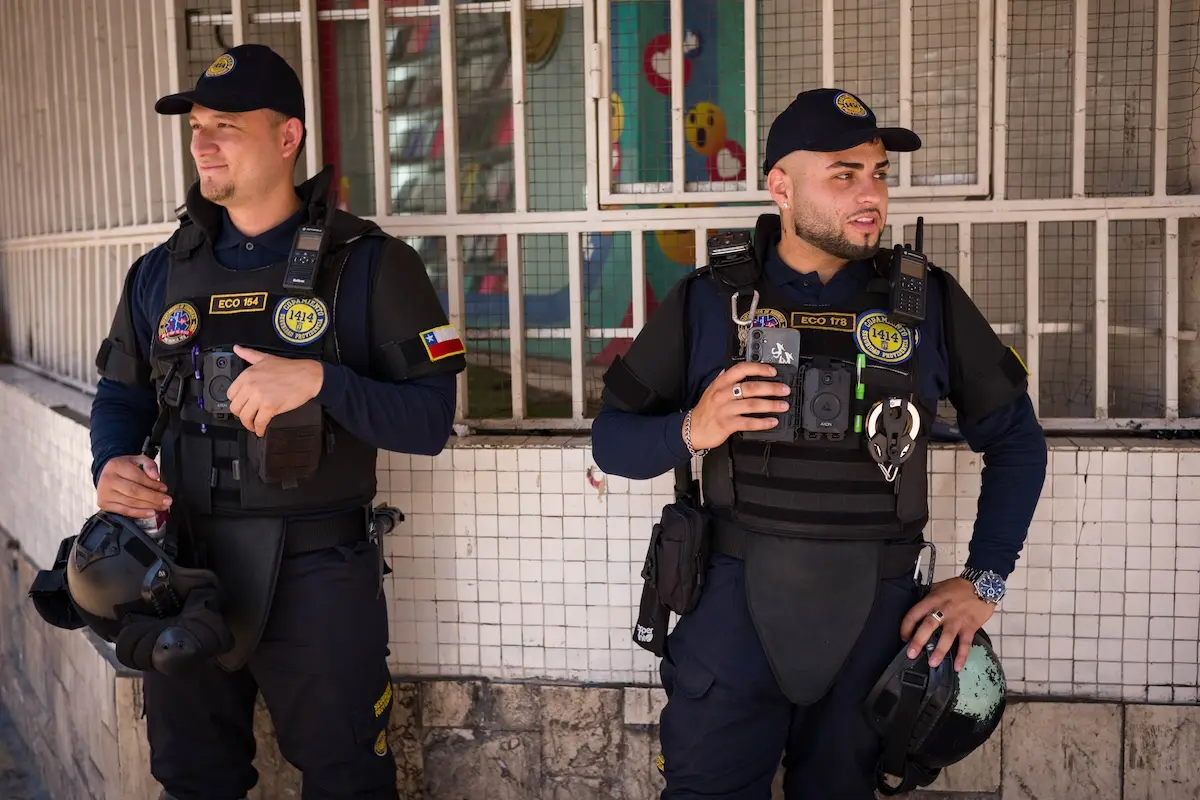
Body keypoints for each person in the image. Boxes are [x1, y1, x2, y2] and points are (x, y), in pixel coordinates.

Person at [593, 88, 1047, 799]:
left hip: (877, 620)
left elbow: (1017, 440)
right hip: (732, 610)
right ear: (781, 186)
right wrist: (692, 430)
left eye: (879, 174)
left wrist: (984, 581)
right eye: (844, 174)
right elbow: (612, 442)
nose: (872, 195)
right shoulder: (710, 301)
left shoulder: (927, 302)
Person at [87, 44, 465, 799]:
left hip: (317, 573)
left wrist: (321, 380)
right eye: (196, 126)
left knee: (349, 780)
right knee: (192, 778)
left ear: (288, 136)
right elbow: (122, 395)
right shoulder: (160, 271)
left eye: (225, 126)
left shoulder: (372, 264)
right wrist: (111, 462)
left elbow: (430, 422)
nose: (202, 144)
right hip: (181, 569)